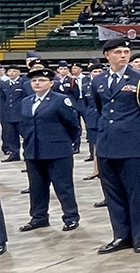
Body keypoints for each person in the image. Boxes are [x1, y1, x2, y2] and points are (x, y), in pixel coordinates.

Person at [92, 39, 140, 254]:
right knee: (113, 194)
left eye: (126, 51)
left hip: (132, 144)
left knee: (135, 193)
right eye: (118, 52)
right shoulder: (98, 80)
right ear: (107, 55)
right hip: (107, 144)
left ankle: (138, 236)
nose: (123, 55)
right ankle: (120, 235)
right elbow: (101, 109)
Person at [19, 68, 82, 233]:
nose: (37, 83)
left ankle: (70, 217)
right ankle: (39, 217)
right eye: (34, 81)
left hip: (58, 150)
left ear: (51, 83)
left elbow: (72, 124)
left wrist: (67, 143)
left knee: (63, 186)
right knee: (37, 186)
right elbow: (24, 125)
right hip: (33, 150)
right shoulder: (26, 101)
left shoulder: (61, 100)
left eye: (41, 80)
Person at [1, 66, 29, 162]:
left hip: (20, 114)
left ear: (19, 72)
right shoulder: (4, 84)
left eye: (14, 71)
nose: (12, 73)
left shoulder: (23, 84)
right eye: (10, 71)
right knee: (11, 135)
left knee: (25, 135)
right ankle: (14, 153)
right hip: (9, 113)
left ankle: (27, 154)